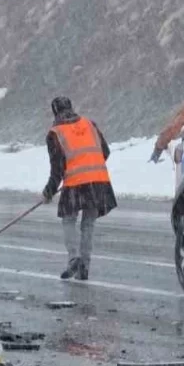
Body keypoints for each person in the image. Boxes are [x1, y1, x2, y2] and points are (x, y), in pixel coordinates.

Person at [42, 97, 117, 281]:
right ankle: (85, 265)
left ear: (55, 112)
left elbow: (57, 169)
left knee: (69, 220)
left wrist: (49, 191)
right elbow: (105, 151)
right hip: (98, 181)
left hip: (75, 183)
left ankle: (74, 258)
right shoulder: (89, 124)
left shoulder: (55, 133)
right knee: (88, 224)